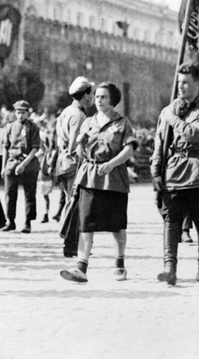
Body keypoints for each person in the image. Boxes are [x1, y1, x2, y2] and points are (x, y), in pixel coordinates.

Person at [60, 82, 136, 283]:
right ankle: (81, 267)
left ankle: (119, 265)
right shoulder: (89, 122)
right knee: (86, 224)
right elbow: (80, 149)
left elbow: (129, 149)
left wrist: (112, 164)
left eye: (103, 97)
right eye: (97, 97)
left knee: (117, 226)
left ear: (113, 100)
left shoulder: (122, 123)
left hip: (114, 179)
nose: (99, 100)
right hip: (90, 177)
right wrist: (77, 175)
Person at [151, 63, 199, 285]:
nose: (181, 87)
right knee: (171, 221)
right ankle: (169, 268)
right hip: (172, 171)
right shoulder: (169, 110)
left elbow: (194, 135)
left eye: (186, 82)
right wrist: (156, 170)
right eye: (179, 82)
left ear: (198, 85)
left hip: (198, 171)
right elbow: (160, 142)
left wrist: (172, 118)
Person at [55, 76, 93, 257]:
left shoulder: (66, 111)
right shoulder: (79, 115)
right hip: (73, 164)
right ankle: (71, 244)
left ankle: (70, 242)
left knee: (70, 202)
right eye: (91, 94)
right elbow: (74, 145)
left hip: (63, 163)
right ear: (85, 95)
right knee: (76, 204)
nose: (92, 97)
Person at [1, 100, 41, 233]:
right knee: (9, 193)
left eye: (23, 112)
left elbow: (35, 148)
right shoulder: (10, 127)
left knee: (30, 194)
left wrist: (24, 164)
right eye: (18, 112)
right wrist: (4, 166)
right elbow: (6, 147)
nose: (20, 115)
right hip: (12, 162)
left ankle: (27, 222)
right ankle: (10, 221)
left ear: (28, 113)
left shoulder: (33, 128)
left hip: (28, 163)